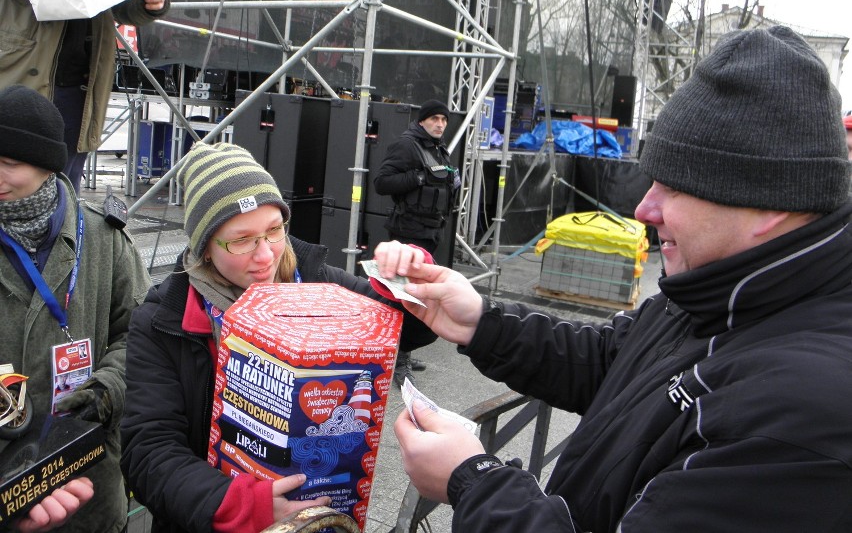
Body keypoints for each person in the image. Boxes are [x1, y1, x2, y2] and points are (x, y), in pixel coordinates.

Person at [374, 26, 852, 532]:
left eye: (673, 189)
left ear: (767, 205)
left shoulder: (804, 416)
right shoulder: (723, 288)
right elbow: (612, 361)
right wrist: (481, 322)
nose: (646, 209)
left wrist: (474, 480)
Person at [120, 142, 433, 533]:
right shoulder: (165, 320)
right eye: (241, 240)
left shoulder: (319, 280)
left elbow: (411, 328)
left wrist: (408, 278)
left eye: (274, 231)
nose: (265, 255)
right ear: (204, 249)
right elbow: (148, 454)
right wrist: (239, 504)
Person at [0, 85, 152, 532]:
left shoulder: (104, 239)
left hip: (89, 485)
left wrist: (108, 389)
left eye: (10, 164)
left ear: (48, 167)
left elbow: (142, 333)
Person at [0, 0, 169, 193]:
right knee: (13, 188)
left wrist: (147, 2)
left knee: (63, 195)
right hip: (20, 75)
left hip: (80, 88)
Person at [374, 99, 460, 383]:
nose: (440, 124)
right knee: (404, 297)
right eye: (434, 118)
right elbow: (382, 182)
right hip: (407, 233)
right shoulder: (407, 145)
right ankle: (397, 359)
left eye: (444, 120)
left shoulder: (437, 148)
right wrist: (418, 177)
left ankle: (404, 351)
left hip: (430, 233)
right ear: (422, 121)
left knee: (417, 297)